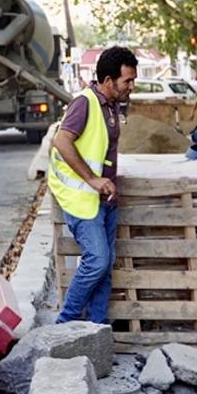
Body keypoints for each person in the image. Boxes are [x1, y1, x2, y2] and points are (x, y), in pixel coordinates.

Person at [49, 46, 137, 325]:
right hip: (83, 200)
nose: (131, 86)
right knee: (97, 261)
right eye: (127, 81)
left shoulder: (110, 105)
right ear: (109, 81)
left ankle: (97, 329)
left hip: (105, 199)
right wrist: (92, 179)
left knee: (105, 267)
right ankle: (65, 324)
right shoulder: (84, 102)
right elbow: (61, 141)